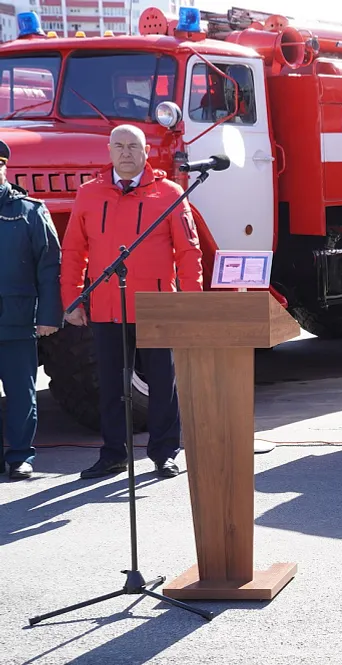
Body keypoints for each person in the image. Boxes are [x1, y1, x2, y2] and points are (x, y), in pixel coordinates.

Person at [61, 124, 203, 480]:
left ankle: (164, 452)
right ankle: (112, 454)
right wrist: (72, 299)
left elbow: (188, 252)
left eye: (133, 146)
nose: (126, 152)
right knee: (110, 385)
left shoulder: (169, 193)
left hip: (156, 304)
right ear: (109, 151)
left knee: (161, 383)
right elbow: (74, 251)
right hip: (107, 305)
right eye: (119, 146)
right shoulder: (88, 195)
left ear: (145, 152)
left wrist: (191, 302)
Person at [0, 140, 62, 481]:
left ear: (4, 168)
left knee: (21, 392)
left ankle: (20, 456)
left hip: (17, 319)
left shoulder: (30, 211)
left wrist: (49, 316)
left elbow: (49, 266)